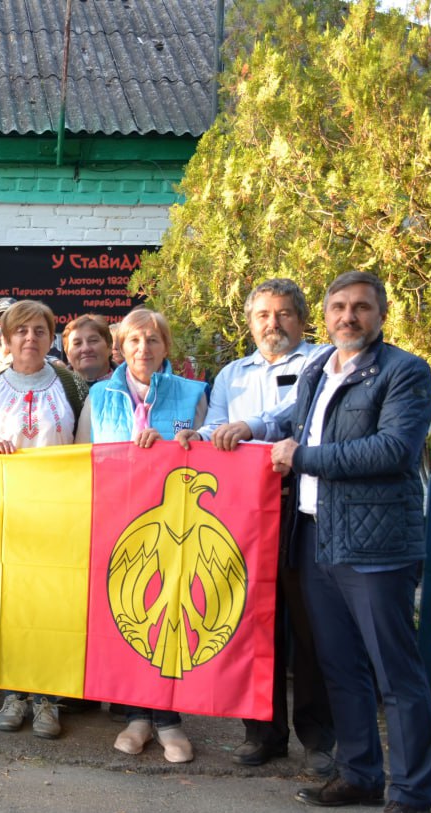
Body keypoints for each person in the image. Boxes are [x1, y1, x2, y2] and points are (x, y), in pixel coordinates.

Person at [219, 271, 431, 813]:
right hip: (316, 535)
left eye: (361, 308)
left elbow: (392, 449)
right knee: (339, 665)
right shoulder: (320, 368)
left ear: (380, 314)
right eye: (339, 307)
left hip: (377, 544)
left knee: (396, 675)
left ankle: (411, 797)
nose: (349, 316)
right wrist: (249, 427)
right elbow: (290, 423)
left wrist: (304, 458)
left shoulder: (404, 371)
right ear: (327, 313)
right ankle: (360, 773)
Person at [174, 278, 335, 775]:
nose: (273, 324)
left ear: (302, 320)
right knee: (252, 620)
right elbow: (217, 422)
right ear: (249, 322)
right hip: (243, 512)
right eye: (263, 315)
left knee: (308, 626)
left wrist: (253, 428)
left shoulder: (322, 362)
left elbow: (299, 415)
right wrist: (195, 435)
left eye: (284, 314)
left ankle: (318, 740)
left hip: (302, 508)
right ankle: (261, 733)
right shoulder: (231, 374)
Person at [76, 307, 207, 763]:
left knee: (170, 615)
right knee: (131, 613)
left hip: (178, 526)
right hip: (118, 525)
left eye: (153, 340)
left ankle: (168, 719)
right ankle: (136, 716)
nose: (143, 349)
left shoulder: (194, 394)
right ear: (120, 348)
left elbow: (209, 457)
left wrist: (189, 442)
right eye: (134, 341)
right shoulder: (98, 395)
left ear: (166, 347)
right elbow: (82, 460)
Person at [0, 301, 88, 740]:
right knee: (12, 605)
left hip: (60, 516)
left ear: (51, 337)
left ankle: (49, 697)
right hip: (7, 514)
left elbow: (89, 448)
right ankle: (14, 692)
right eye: (21, 331)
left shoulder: (73, 386)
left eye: (39, 330)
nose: (30, 338)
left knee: (53, 604)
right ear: (8, 340)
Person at [62, 314, 114, 387]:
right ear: (67, 354)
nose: (86, 349)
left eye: (93, 341)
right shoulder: (54, 390)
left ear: (109, 347)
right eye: (77, 343)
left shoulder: (130, 386)